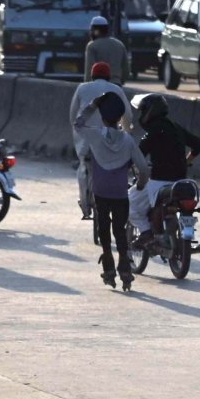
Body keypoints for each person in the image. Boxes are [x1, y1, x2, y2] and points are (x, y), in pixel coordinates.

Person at [75, 92, 149, 288]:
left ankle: (108, 265)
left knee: (104, 228)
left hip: (100, 192)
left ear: (102, 116)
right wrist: (141, 185)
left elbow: (78, 124)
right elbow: (143, 169)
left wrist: (93, 104)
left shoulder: (94, 135)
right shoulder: (128, 140)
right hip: (120, 193)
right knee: (120, 230)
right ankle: (124, 267)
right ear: (119, 117)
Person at [128, 94, 200, 247]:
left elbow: (137, 156)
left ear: (149, 111)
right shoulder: (175, 127)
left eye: (142, 110)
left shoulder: (152, 133)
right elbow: (198, 144)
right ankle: (187, 235)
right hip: (182, 180)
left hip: (159, 181)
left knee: (129, 204)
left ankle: (147, 233)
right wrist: (186, 162)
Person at [70, 62, 131, 219]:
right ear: (109, 76)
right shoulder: (116, 89)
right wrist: (125, 132)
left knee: (84, 166)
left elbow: (73, 116)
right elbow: (128, 116)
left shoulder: (82, 88)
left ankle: (85, 204)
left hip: (87, 139)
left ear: (92, 75)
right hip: (110, 138)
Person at [84, 16, 128, 84]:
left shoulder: (92, 46)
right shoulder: (119, 45)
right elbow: (126, 69)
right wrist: (120, 82)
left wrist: (88, 86)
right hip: (116, 84)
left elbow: (89, 70)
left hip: (98, 85)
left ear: (95, 31)